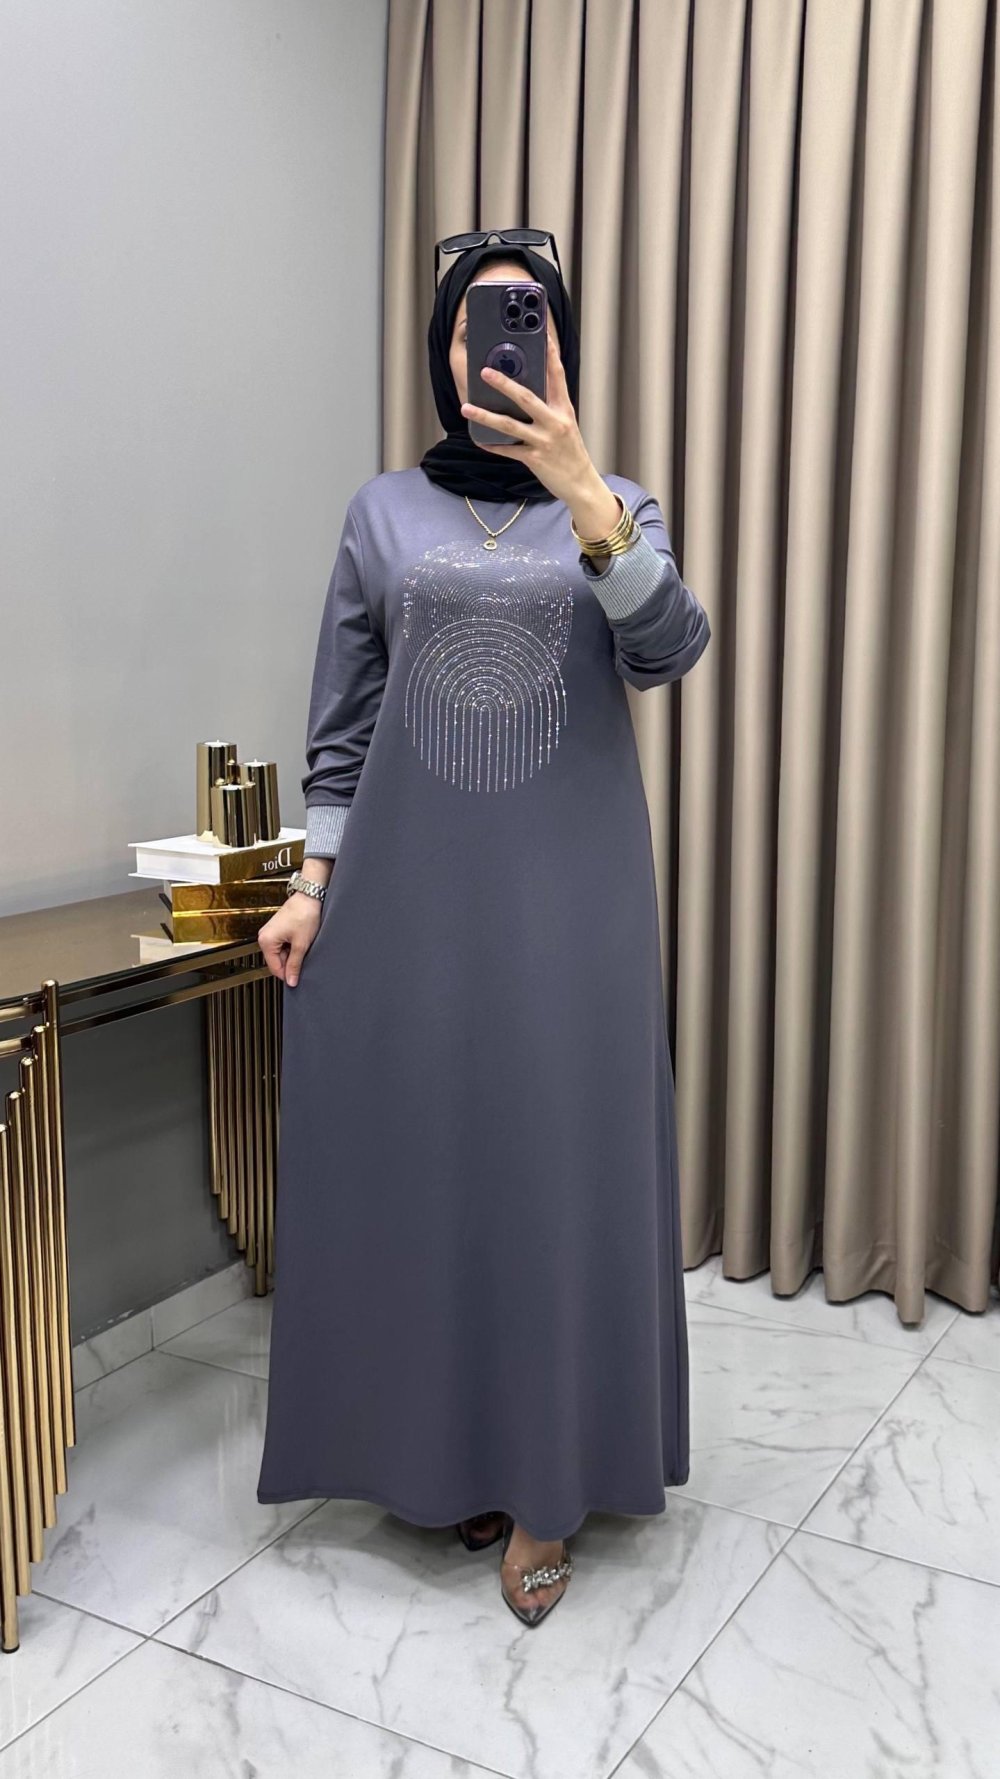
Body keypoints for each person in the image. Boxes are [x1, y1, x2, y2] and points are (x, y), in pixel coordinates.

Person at [256, 232, 711, 1629]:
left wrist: (584, 492)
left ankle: (549, 1488)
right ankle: (451, 1451)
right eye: (473, 326)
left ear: (559, 349)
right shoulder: (382, 511)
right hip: (410, 904)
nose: (496, 350)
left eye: (525, 324)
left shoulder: (615, 500)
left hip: (572, 907)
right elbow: (344, 723)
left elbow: (668, 648)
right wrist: (313, 883)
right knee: (434, 1166)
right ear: (442, 352)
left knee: (553, 1172)